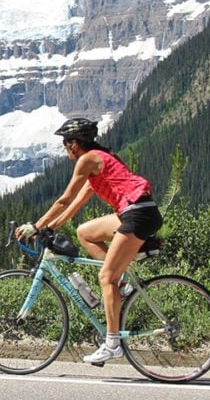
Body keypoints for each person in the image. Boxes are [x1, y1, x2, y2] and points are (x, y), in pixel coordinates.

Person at [15, 118, 162, 364]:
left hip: (138, 214)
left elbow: (65, 198)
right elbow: (75, 205)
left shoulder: (88, 159)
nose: (64, 148)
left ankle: (113, 344)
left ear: (75, 144)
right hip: (137, 211)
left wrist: (35, 225)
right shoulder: (99, 161)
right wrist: (50, 227)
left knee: (105, 277)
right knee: (85, 232)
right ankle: (122, 281)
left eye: (65, 143)